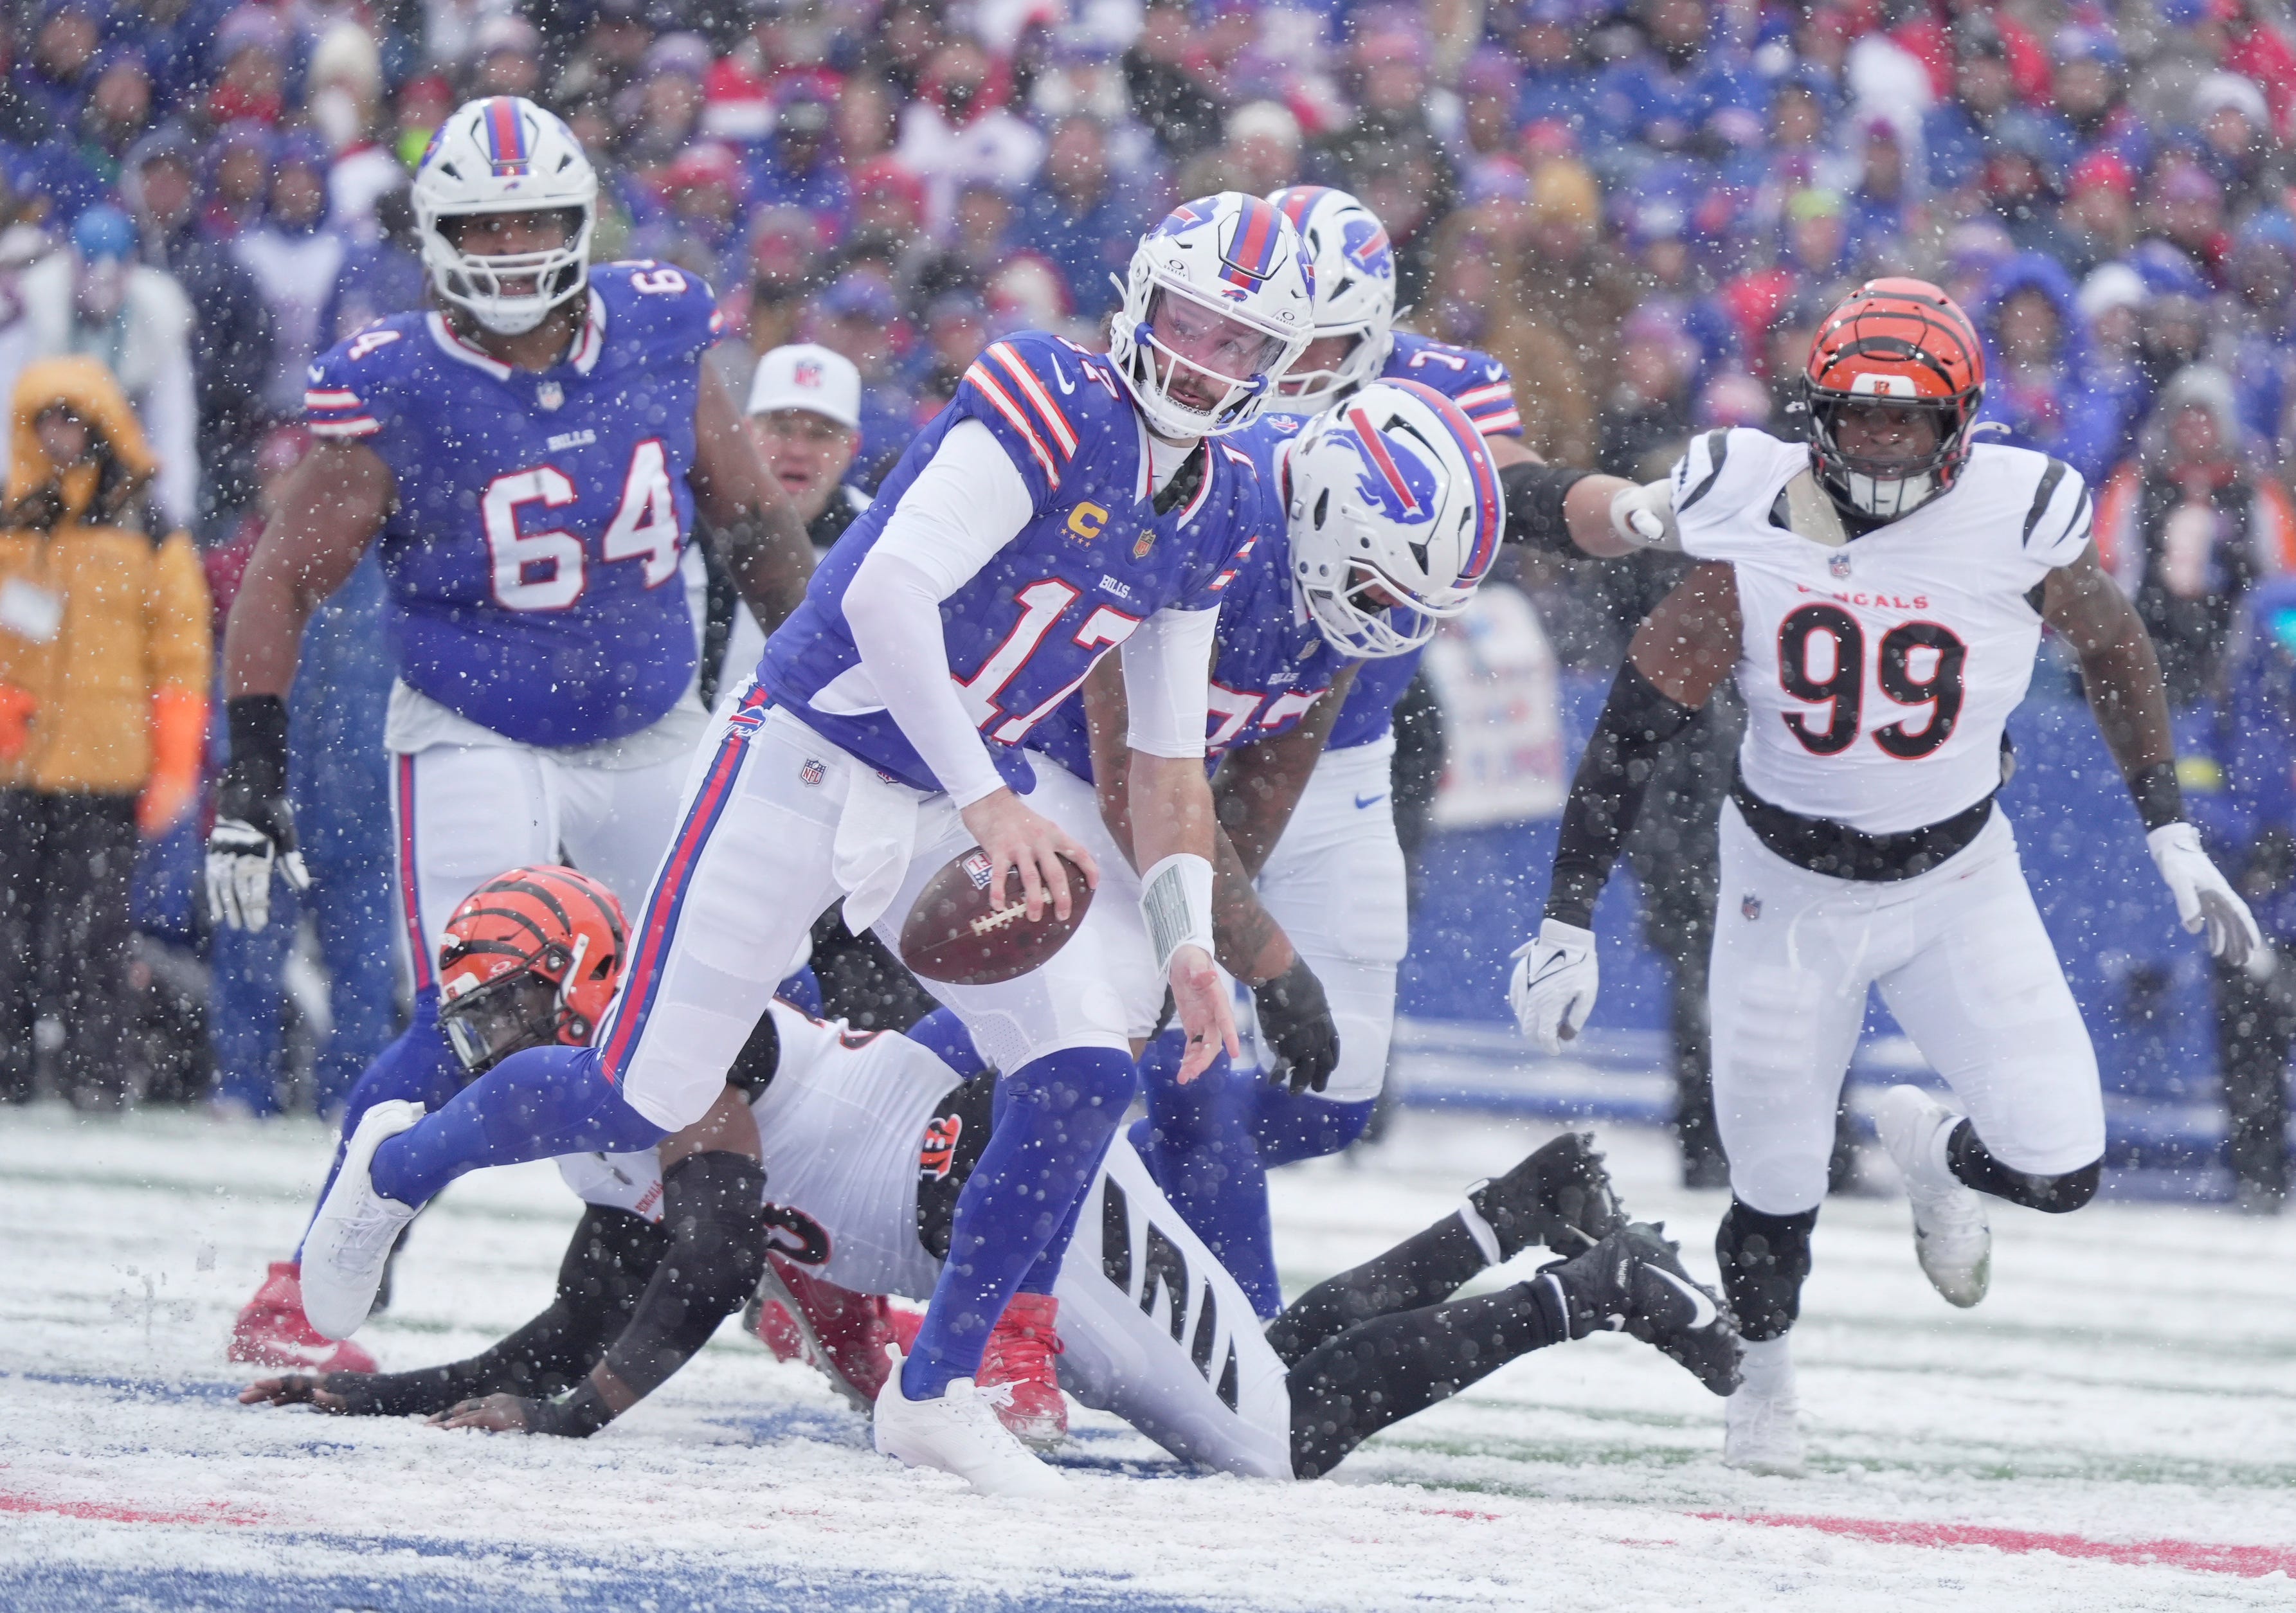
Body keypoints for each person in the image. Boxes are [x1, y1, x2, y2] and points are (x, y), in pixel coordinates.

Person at [292, 192, 1317, 1497]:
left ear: (1275, 365)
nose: (1204, 356)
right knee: (644, 1095)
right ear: (1142, 302)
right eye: (1190, 320)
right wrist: (992, 799)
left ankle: (935, 1394)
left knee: (1079, 1073)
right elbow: (889, 591)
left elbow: (1167, 765)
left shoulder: (1221, 505)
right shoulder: (1048, 394)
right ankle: (394, 1160)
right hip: (811, 748)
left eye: (1241, 341)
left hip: (950, 783)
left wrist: (1184, 942)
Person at [1508, 278, 2266, 1476]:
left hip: (1959, 879)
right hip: (1784, 888)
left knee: (2062, 1163)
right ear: (1816, 412)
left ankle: (1932, 1149)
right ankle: (1761, 1381)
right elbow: (1638, 718)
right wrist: (1565, 914)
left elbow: (2118, 644)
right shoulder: (1754, 506)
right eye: (1853, 415)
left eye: (1903, 418)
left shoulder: (2018, 519)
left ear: (1959, 421)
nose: (1874, 440)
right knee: (1771, 1183)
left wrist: (2167, 828)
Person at [240, 872, 1739, 1470]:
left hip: (1034, 1203)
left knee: (1280, 1437)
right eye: (474, 1007)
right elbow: (572, 1332)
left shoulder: (681, 1049)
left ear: (584, 985)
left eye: (507, 1003)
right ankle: (1526, 1202)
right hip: (999, 1208)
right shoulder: (619, 1109)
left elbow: (703, 1269)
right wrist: (371, 1391)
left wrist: (567, 1421)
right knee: (1259, 1370)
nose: (484, 1033)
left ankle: (1597, 1286)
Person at [214, 96, 815, 1375]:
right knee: (480, 1012)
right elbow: (279, 580)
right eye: (481, 225)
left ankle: (821, 1293)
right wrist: (251, 774)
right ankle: (319, 1265)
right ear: (435, 235)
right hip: (477, 726)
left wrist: (840, 702)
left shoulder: (657, 326)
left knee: (744, 1006)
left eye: (533, 219)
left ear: (579, 220)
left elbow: (756, 523)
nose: (507, 247)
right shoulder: (397, 380)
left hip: (654, 729)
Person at [1097, 186, 1661, 1318]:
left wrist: (1651, 509)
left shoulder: (1438, 392)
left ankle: (1121, 1203)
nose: (1294, 366)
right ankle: (1168, 1276)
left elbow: (1530, 494)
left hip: (1333, 749)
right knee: (1166, 1041)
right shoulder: (1202, 392)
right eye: (1277, 337)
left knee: (1333, 1093)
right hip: (1172, 747)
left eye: (1328, 344)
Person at [0, 357, 209, 1107]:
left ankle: (97, 1074)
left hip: (106, 763)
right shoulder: (16, 516)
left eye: (72, 420)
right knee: (10, 929)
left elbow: (180, 653)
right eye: (47, 421)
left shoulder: (148, 525)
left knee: (93, 934)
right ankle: (10, 1067)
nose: (60, 437)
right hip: (19, 763)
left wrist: (176, 762)